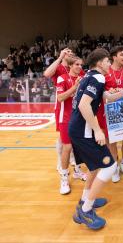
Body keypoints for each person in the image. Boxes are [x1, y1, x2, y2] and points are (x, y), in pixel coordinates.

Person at [69, 48, 123, 230]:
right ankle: (85, 211)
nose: (110, 63)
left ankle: (85, 200)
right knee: (110, 166)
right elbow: (85, 105)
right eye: (108, 61)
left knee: (95, 167)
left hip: (79, 129)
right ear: (100, 63)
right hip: (83, 131)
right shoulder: (98, 77)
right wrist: (98, 130)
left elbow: (108, 97)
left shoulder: (90, 76)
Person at [44, 48, 85, 176]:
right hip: (63, 107)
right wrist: (60, 57)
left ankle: (73, 162)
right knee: (63, 138)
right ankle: (61, 162)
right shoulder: (60, 68)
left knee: (73, 140)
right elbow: (46, 74)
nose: (70, 53)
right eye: (67, 52)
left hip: (75, 108)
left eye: (71, 52)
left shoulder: (78, 70)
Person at [96, 46, 123, 182]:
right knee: (111, 140)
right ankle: (115, 166)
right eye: (122, 55)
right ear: (114, 57)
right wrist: (109, 93)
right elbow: (98, 92)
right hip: (108, 112)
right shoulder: (104, 73)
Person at [56, 55, 86, 194]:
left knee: (78, 146)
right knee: (67, 148)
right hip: (66, 118)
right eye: (77, 65)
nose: (79, 67)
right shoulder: (62, 78)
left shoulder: (83, 78)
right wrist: (75, 87)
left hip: (79, 118)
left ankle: (77, 171)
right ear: (70, 66)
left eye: (81, 65)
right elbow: (60, 98)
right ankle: (63, 179)